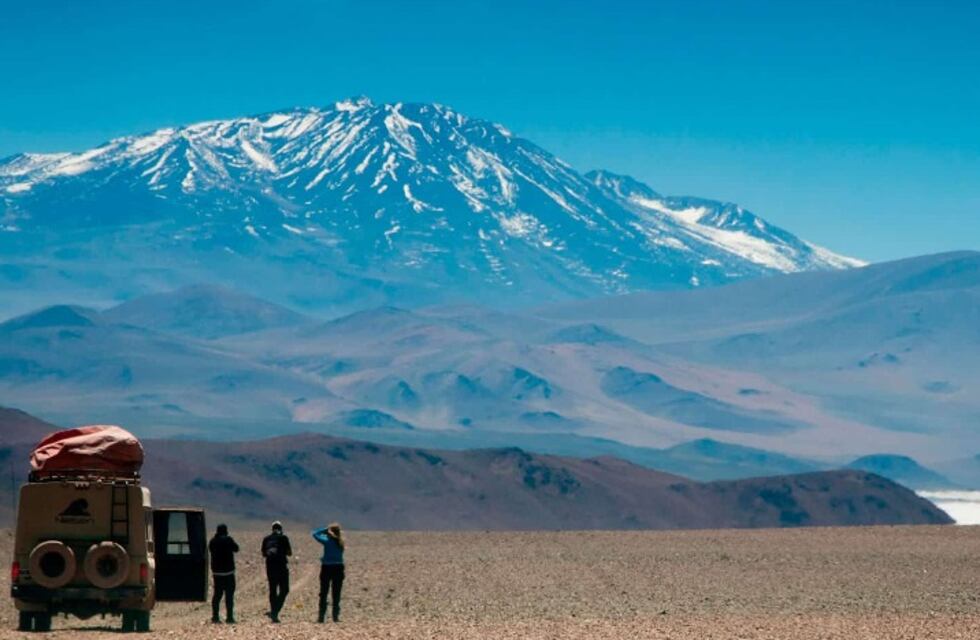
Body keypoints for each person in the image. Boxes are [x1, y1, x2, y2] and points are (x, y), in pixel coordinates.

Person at [312, 522, 346, 623]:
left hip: (327, 567)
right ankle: (335, 616)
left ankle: (321, 616)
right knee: (336, 593)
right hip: (338, 567)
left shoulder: (327, 540)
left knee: (324, 592)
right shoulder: (341, 542)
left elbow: (314, 534)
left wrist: (325, 530)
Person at [261, 521, 292, 623]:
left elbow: (263, 553)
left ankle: (274, 611)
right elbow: (289, 553)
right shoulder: (283, 538)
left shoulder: (266, 539)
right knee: (285, 589)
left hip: (270, 567)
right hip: (282, 567)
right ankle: (275, 611)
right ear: (281, 528)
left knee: (273, 590)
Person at [208, 524, 239, 624]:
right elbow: (236, 549)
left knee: (217, 595)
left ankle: (215, 617)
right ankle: (229, 617)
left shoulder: (212, 541)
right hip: (229, 573)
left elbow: (210, 549)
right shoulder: (229, 540)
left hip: (217, 573)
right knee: (229, 596)